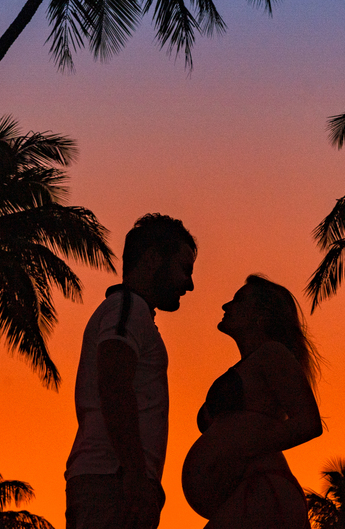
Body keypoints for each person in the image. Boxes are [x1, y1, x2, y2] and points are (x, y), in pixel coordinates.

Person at [65, 213, 197, 529]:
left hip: (115, 478)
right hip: (113, 479)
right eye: (184, 269)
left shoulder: (132, 312)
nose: (189, 284)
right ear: (153, 259)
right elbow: (114, 385)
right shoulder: (128, 308)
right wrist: (137, 478)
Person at [182, 275, 322, 529]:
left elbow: (309, 423)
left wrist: (242, 448)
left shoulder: (273, 354)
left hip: (264, 492)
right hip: (248, 495)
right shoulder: (254, 364)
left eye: (239, 300)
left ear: (262, 313)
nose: (227, 306)